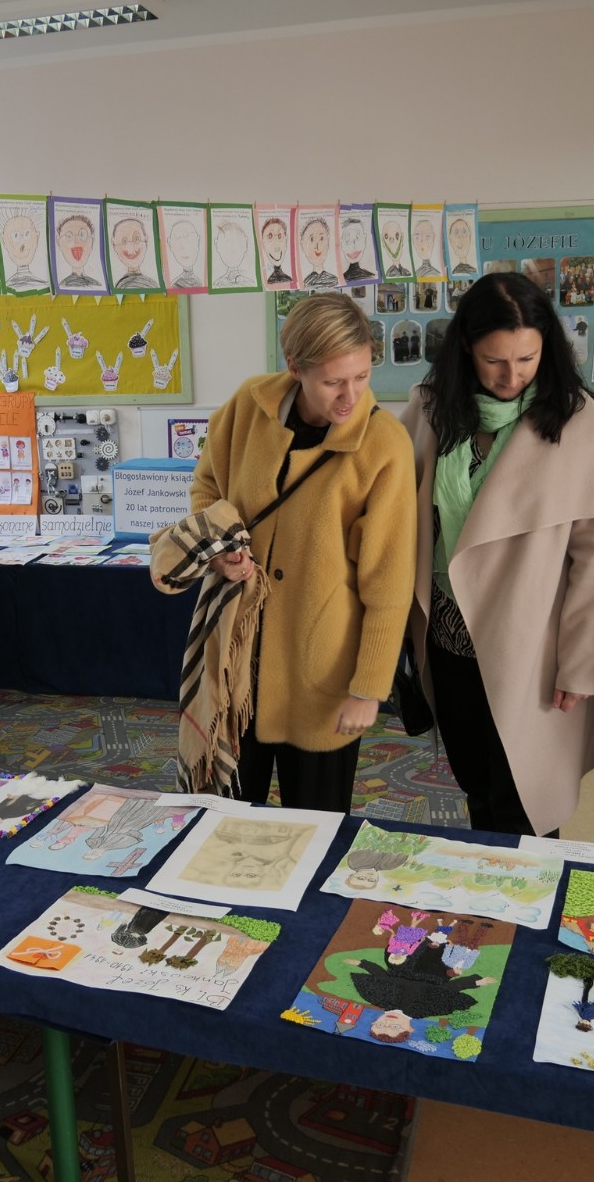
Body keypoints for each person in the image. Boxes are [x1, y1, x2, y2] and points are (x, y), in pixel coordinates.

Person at [402, 271, 594, 836]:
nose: (511, 376)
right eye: (494, 360)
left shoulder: (577, 420)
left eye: (527, 359)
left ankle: (529, 893)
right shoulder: (430, 411)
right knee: (475, 786)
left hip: (531, 643)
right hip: (448, 634)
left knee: (524, 798)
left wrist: (581, 662)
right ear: (465, 349)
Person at [185, 292, 415, 812]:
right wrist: (219, 549)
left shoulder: (385, 445)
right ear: (295, 368)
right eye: (334, 382)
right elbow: (206, 487)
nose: (351, 396)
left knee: (315, 826)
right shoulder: (248, 406)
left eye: (362, 376)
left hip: (320, 669)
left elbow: (389, 581)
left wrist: (369, 688)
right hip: (235, 661)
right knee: (222, 818)